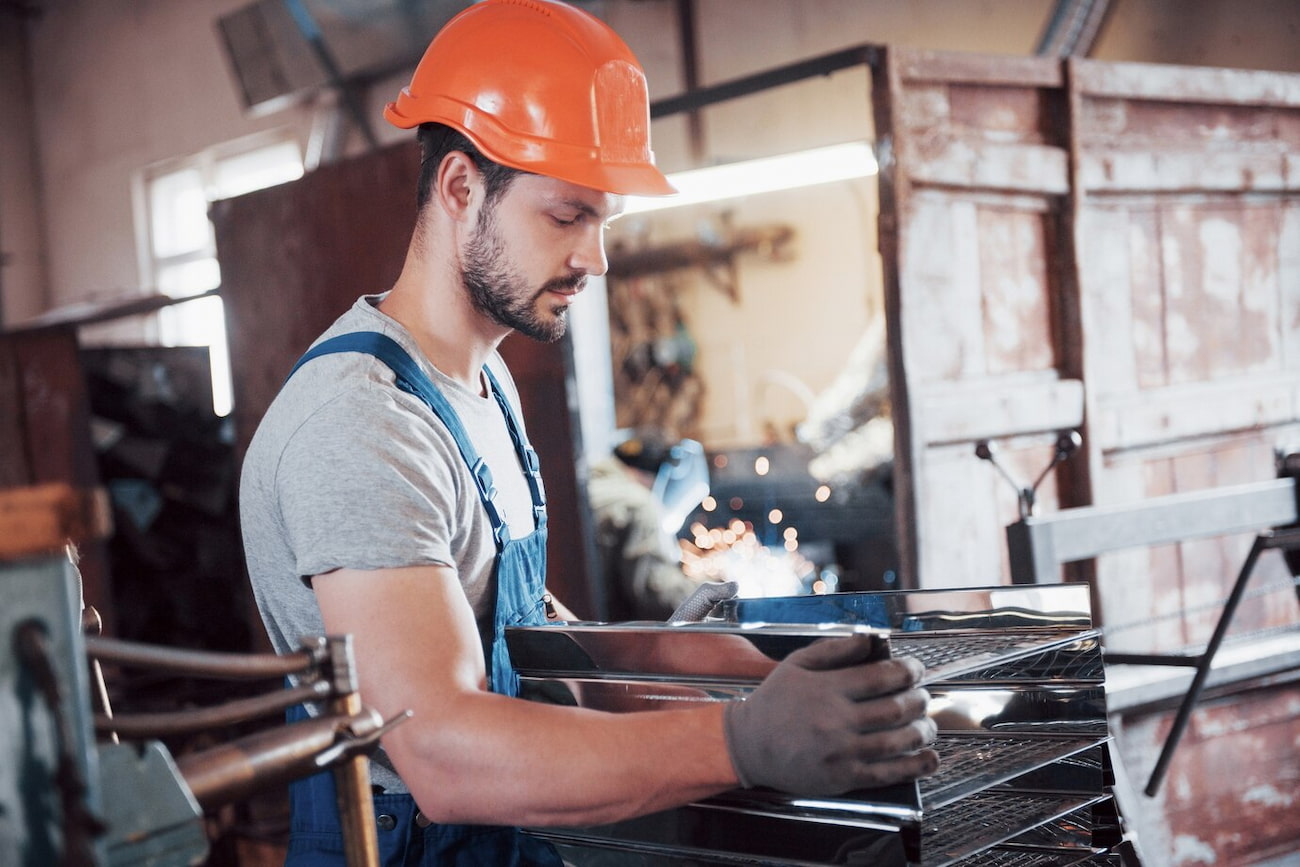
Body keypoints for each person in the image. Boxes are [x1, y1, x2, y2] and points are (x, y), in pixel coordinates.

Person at [238, 1, 939, 864]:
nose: (594, 259)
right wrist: (741, 739)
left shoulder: (486, 383)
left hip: (512, 836)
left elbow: (513, 626)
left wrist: (700, 665)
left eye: (602, 221)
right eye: (566, 217)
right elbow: (443, 751)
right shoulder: (362, 423)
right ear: (460, 188)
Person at [588, 432, 708, 620]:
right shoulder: (638, 504)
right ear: (652, 474)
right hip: (606, 637)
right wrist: (707, 592)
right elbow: (659, 598)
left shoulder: (591, 485)